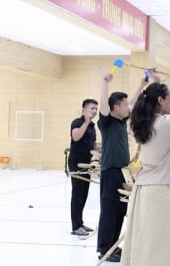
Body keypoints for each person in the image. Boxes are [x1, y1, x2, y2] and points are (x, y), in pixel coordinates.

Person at [120, 64, 170, 266]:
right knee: (156, 248)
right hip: (158, 191)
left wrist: (156, 82)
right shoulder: (164, 124)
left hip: (145, 190)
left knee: (145, 243)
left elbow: (153, 100)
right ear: (160, 101)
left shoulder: (145, 123)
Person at [96, 71, 146, 262]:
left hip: (124, 172)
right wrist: (105, 83)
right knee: (109, 210)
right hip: (110, 171)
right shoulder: (107, 122)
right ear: (115, 108)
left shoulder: (121, 120)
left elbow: (131, 103)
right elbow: (103, 105)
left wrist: (141, 85)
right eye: (124, 105)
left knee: (120, 210)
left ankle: (114, 246)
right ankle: (104, 249)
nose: (128, 108)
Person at [68, 98, 99, 237]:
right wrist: (86, 122)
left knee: (84, 194)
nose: (94, 111)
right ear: (83, 110)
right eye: (92, 108)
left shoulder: (92, 126)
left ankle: (80, 223)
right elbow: (76, 137)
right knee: (77, 194)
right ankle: (75, 226)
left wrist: (107, 146)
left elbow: (92, 145)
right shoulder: (78, 122)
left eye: (95, 109)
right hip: (76, 162)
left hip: (87, 162)